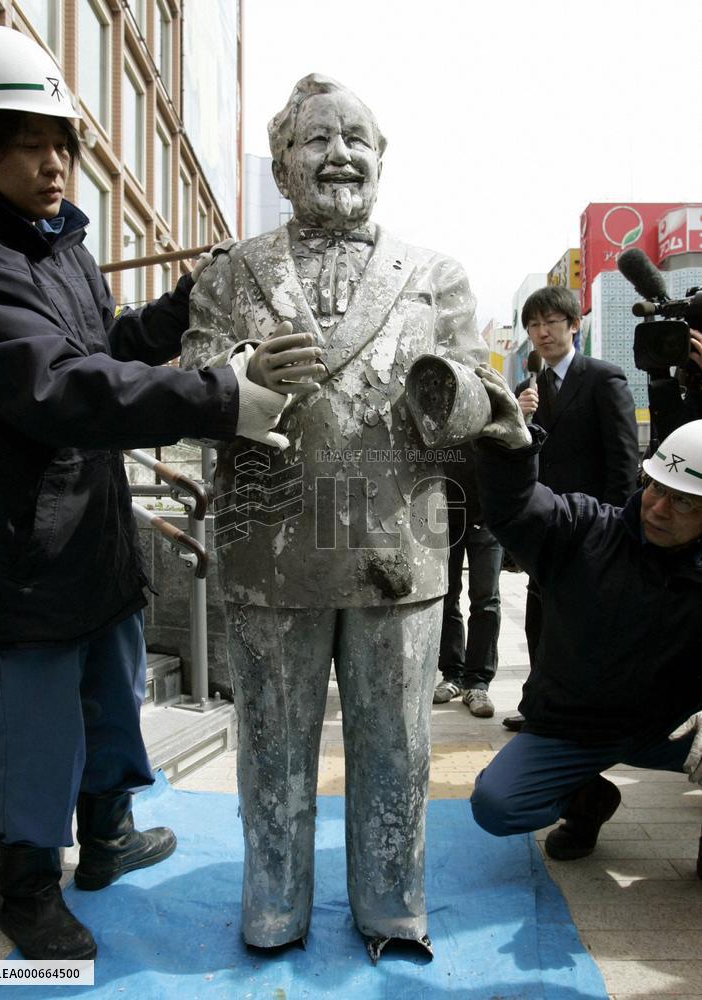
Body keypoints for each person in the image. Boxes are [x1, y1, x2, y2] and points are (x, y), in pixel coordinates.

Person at [0, 25, 322, 961]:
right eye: (26, 144)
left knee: (112, 697)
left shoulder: (61, 249)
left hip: (95, 532)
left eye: (62, 144)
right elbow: (61, 386)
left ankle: (109, 837)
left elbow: (108, 348)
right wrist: (221, 397)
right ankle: (29, 887)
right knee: (40, 726)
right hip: (25, 549)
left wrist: (181, 307)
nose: (53, 166)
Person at [181, 73, 487, 959]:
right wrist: (242, 371)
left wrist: (451, 391)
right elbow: (190, 376)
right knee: (272, 746)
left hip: (399, 543)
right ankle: (273, 906)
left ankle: (393, 905)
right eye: (316, 140)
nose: (339, 153)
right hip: (269, 539)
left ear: (383, 160)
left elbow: (486, 398)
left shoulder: (437, 276)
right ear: (282, 165)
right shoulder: (232, 272)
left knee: (395, 744)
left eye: (357, 138)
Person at [467, 368, 702, 874]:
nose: (659, 508)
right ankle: (586, 800)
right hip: (573, 726)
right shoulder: (587, 530)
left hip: (668, 728)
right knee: (498, 804)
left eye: (683, 500)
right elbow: (519, 510)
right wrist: (511, 450)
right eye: (656, 487)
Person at [503, 285, 639, 731]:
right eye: (533, 325)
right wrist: (518, 422)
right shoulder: (528, 388)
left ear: (574, 324)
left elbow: (623, 459)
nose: (541, 333)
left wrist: (615, 527)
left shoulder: (604, 377)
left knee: (588, 619)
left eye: (550, 323)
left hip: (593, 525)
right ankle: (538, 706)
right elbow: (518, 459)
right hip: (545, 525)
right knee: (541, 617)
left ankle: (592, 709)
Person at [433, 450, 503, 718]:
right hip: (442, 515)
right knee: (446, 596)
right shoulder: (438, 409)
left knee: (486, 599)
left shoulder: (491, 406)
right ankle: (453, 675)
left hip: (487, 516)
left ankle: (478, 682)